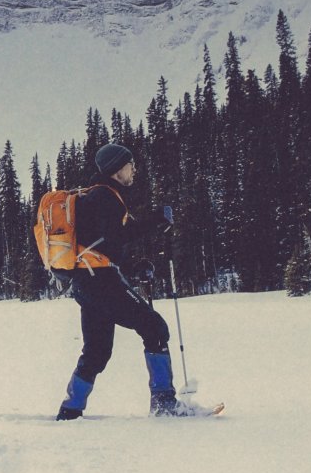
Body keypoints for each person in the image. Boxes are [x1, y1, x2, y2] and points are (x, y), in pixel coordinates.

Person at [55, 143, 202, 419]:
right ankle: (164, 404)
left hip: (87, 282)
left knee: (97, 352)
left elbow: (102, 244)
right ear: (117, 169)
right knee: (155, 328)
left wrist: (133, 268)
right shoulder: (105, 196)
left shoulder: (97, 197)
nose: (133, 170)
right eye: (130, 165)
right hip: (100, 281)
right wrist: (155, 221)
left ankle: (70, 410)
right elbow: (115, 237)